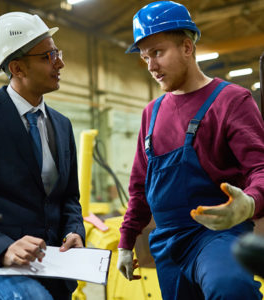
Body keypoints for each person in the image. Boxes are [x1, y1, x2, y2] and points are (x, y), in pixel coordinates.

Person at [117, 1, 264, 299]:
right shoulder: (152, 113)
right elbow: (138, 186)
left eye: (157, 53)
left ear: (187, 47)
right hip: (166, 244)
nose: (151, 66)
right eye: (145, 57)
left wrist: (249, 203)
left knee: (230, 289)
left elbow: (260, 168)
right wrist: (126, 241)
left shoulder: (231, 101)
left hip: (218, 235)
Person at [0, 12, 85, 300]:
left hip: (55, 266)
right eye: (48, 56)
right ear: (17, 67)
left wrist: (74, 230)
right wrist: (1, 247)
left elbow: (69, 197)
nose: (60, 63)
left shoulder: (62, 125)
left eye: (58, 53)